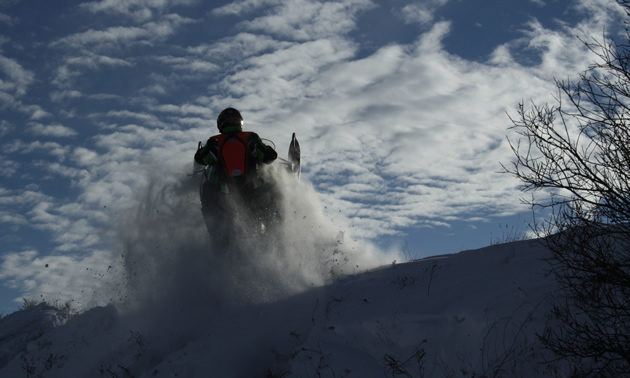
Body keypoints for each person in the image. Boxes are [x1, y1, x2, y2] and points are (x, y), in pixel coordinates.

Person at [194, 108, 278, 243]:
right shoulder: (251, 139)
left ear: (221, 124)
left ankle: (220, 245)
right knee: (270, 181)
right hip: (254, 193)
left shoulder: (215, 142)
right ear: (240, 123)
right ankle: (274, 233)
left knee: (220, 228)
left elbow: (200, 159)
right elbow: (270, 157)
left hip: (223, 197)